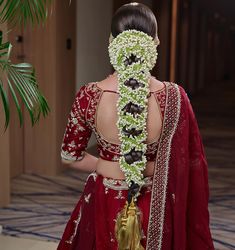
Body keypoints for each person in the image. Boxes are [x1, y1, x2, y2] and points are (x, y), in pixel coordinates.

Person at [57, 2, 214, 250]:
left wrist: (107, 164)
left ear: (111, 42)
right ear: (155, 42)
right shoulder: (174, 97)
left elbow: (69, 156)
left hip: (105, 200)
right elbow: (191, 162)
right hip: (157, 206)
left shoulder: (89, 95)